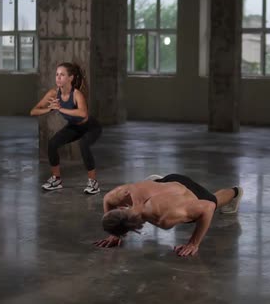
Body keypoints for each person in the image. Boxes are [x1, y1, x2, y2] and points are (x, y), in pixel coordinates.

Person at [94, 174, 243, 257]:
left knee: (214, 201)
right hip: (164, 183)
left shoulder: (164, 217)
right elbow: (107, 198)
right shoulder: (125, 194)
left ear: (131, 230)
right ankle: (157, 182)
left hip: (189, 193)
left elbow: (207, 208)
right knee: (157, 186)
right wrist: (115, 233)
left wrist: (193, 243)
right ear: (120, 208)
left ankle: (236, 191)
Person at [30, 62, 102, 194]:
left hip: (90, 127)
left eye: (62, 75)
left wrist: (61, 108)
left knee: (84, 144)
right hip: (74, 127)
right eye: (57, 74)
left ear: (71, 78)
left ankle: (93, 183)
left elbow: (83, 113)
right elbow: (33, 111)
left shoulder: (76, 94)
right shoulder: (53, 93)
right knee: (52, 143)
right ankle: (56, 180)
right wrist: (49, 109)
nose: (58, 77)